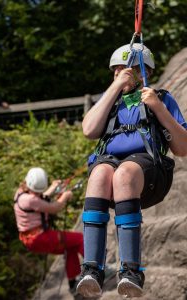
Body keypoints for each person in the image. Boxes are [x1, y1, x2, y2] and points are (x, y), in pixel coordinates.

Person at [76, 43, 187, 298]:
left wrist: (158, 107)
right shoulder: (111, 102)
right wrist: (115, 88)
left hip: (148, 171)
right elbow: (89, 130)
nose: (120, 74)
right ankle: (92, 268)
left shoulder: (161, 97)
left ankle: (131, 270)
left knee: (124, 173)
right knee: (99, 174)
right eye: (115, 72)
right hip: (110, 163)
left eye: (127, 70)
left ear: (144, 72)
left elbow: (182, 147)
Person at [14, 167, 84, 295]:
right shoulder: (32, 200)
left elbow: (40, 198)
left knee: (71, 246)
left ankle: (73, 284)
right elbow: (55, 207)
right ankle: (97, 267)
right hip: (40, 238)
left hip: (32, 239)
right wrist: (65, 196)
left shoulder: (21, 193)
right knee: (80, 239)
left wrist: (53, 187)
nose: (38, 193)